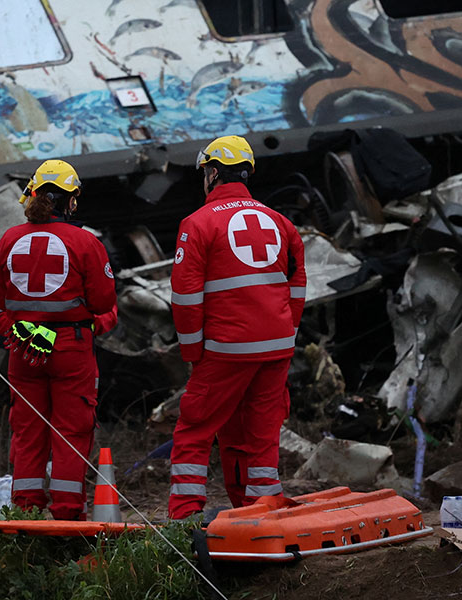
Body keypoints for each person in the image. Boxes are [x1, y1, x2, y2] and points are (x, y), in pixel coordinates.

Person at [168, 135, 306, 520]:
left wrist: (193, 351)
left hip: (226, 348)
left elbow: (186, 297)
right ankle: (262, 512)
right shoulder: (282, 223)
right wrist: (284, 332)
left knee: (195, 428)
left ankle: (184, 514)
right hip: (276, 347)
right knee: (261, 435)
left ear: (212, 173)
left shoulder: (196, 224)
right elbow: (298, 286)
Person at [0, 159, 117, 520]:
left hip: (24, 348)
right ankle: (68, 515)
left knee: (27, 433)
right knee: (72, 432)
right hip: (71, 348)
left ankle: (25, 514)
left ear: (34, 194)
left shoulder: (9, 239)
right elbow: (104, 303)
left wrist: (23, 328)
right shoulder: (86, 242)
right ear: (71, 201)